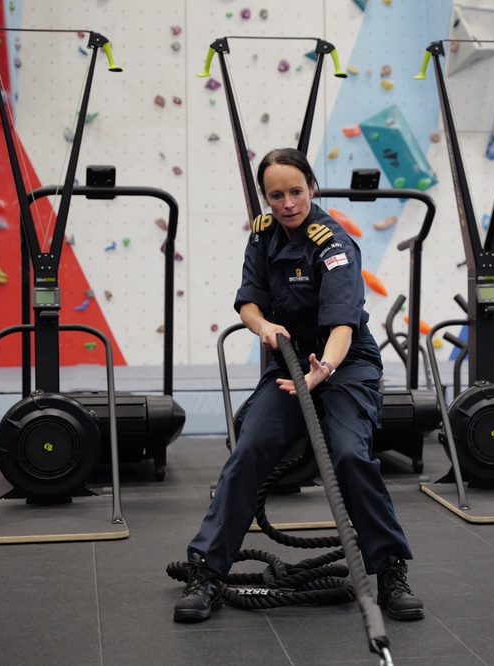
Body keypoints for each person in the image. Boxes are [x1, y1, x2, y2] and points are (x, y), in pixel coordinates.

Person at [173, 147, 424, 624]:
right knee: (250, 449)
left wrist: (322, 370)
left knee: (349, 455)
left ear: (311, 186)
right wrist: (263, 326)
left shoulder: (334, 244)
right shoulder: (263, 235)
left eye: (295, 191)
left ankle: (390, 569)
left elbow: (343, 327)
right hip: (289, 366)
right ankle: (205, 571)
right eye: (276, 195)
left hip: (343, 365)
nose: (287, 203)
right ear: (265, 198)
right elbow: (248, 301)